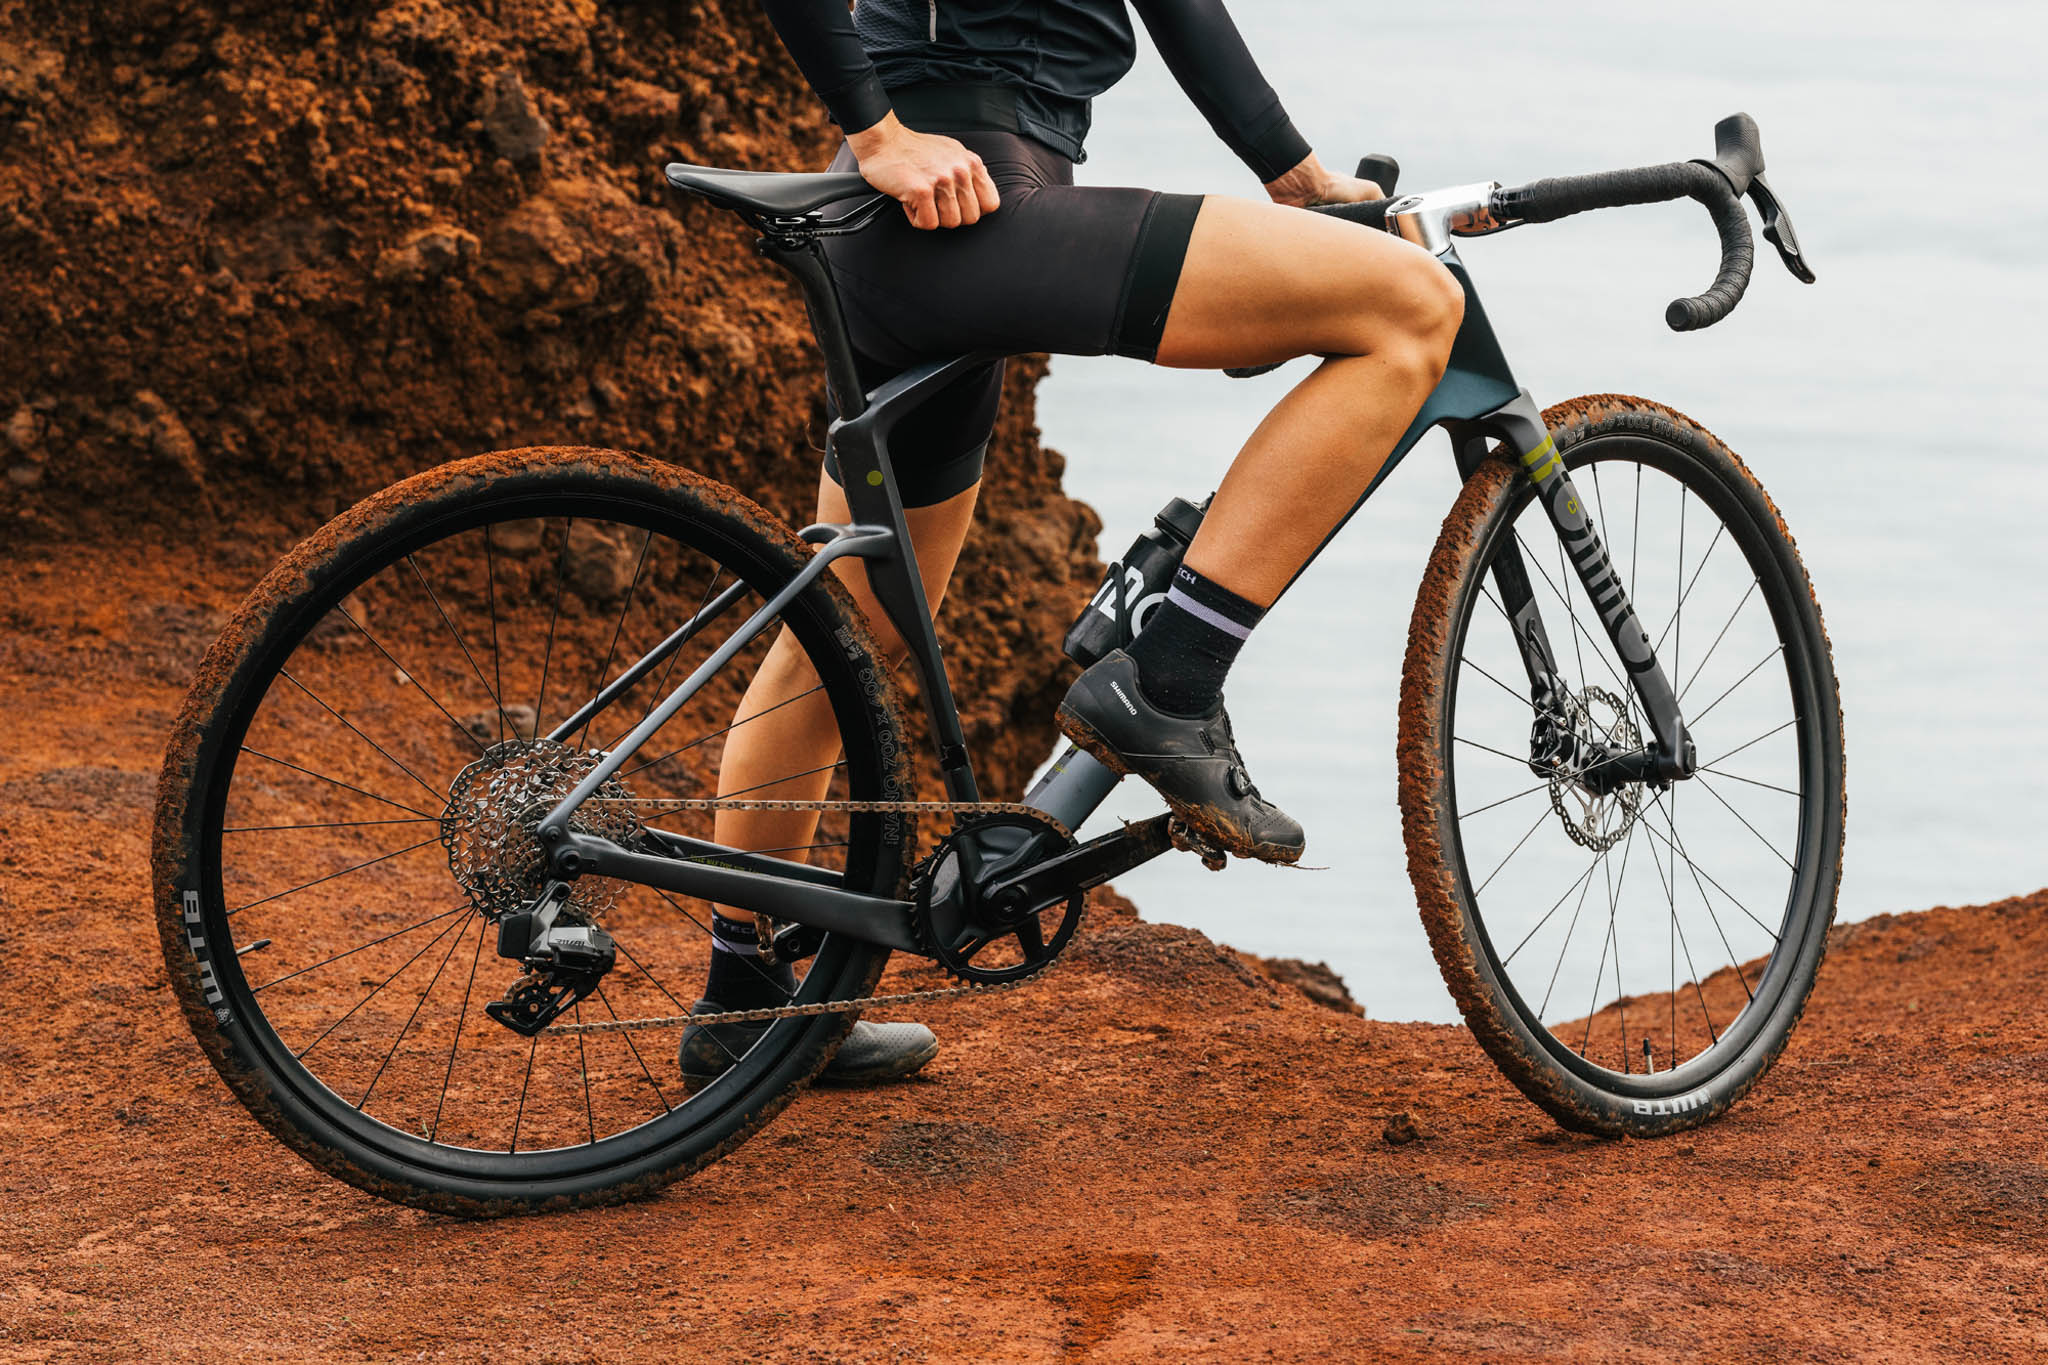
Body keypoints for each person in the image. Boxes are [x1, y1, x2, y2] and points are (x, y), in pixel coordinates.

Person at [677, 0, 1464, 1089]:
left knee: (849, 639)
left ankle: (744, 1000)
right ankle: (1171, 678)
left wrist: (1296, 177)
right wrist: (879, 133)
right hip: (953, 207)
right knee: (1413, 309)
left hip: (931, 225)